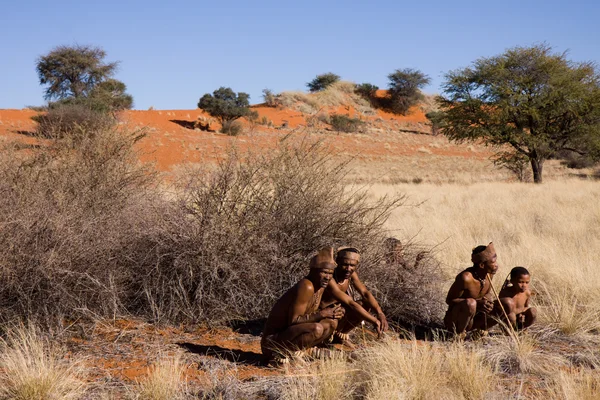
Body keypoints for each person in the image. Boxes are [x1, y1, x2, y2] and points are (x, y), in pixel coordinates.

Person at [261, 247, 345, 363]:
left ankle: (303, 350)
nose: (328, 277)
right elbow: (294, 320)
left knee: (331, 323)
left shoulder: (320, 286)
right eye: (324, 272)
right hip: (272, 342)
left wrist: (334, 313)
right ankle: (281, 352)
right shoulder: (307, 286)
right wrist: (323, 313)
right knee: (317, 328)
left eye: (330, 273)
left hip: (290, 335)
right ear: (313, 271)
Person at [319, 247, 387, 348]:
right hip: (322, 315)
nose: (348, 268)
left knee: (364, 305)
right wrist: (375, 321)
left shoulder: (351, 274)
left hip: (337, 312)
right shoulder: (330, 276)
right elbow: (351, 303)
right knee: (347, 308)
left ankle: (340, 335)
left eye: (352, 265)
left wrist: (380, 313)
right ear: (338, 262)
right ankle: (324, 339)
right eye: (345, 264)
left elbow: (365, 293)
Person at [444, 242, 499, 337]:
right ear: (482, 265)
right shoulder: (465, 278)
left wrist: (488, 301)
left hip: (475, 319)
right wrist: (477, 303)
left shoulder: (489, 273)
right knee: (471, 303)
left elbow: (487, 293)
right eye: (493, 262)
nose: (496, 265)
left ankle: (480, 330)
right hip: (457, 320)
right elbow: (449, 300)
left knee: (504, 304)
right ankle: (459, 334)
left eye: (496, 261)